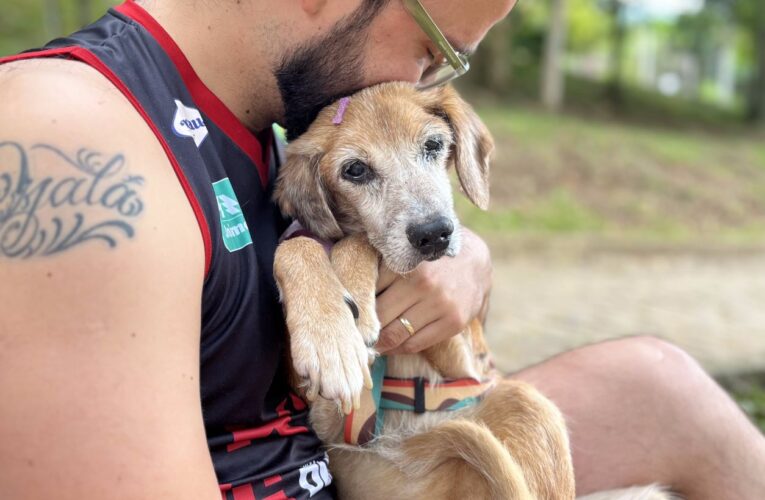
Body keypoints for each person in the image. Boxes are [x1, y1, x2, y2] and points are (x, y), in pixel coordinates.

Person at [0, 0, 763, 498]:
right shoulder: (68, 137)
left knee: (661, 388)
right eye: (432, 53)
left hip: (360, 451)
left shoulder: (273, 120)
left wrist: (453, 255)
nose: (416, 83)